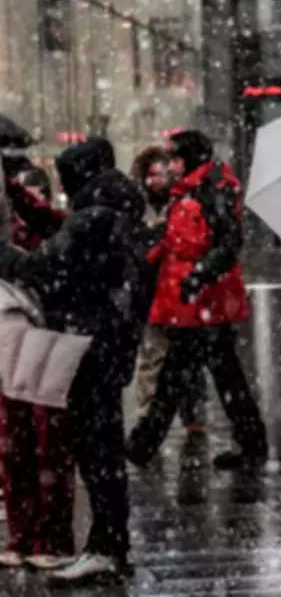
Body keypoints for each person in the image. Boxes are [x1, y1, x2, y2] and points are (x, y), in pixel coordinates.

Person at [0, 137, 151, 584]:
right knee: (100, 451)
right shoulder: (114, 210)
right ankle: (110, 547)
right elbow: (60, 233)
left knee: (96, 453)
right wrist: (19, 198)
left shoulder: (95, 219)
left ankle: (106, 549)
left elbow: (40, 269)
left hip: (91, 348)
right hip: (109, 345)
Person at [126, 130, 268, 471]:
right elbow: (181, 239)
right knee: (218, 374)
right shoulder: (194, 189)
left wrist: (199, 275)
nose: (171, 166)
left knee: (178, 375)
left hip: (203, 303)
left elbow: (228, 243)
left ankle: (143, 443)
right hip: (196, 301)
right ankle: (252, 443)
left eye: (176, 159)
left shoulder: (210, 191)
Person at [0, 158, 73, 571]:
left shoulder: (50, 233)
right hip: (10, 342)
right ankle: (22, 534)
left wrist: (15, 191)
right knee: (14, 446)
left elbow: (52, 227)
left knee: (49, 446)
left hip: (45, 339)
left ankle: (54, 537)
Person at [129, 145, 207, 431]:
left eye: (162, 174)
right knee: (152, 356)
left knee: (188, 358)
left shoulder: (185, 203)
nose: (157, 180)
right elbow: (136, 246)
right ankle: (146, 415)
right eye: (152, 175)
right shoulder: (137, 207)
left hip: (182, 293)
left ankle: (193, 415)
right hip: (152, 293)